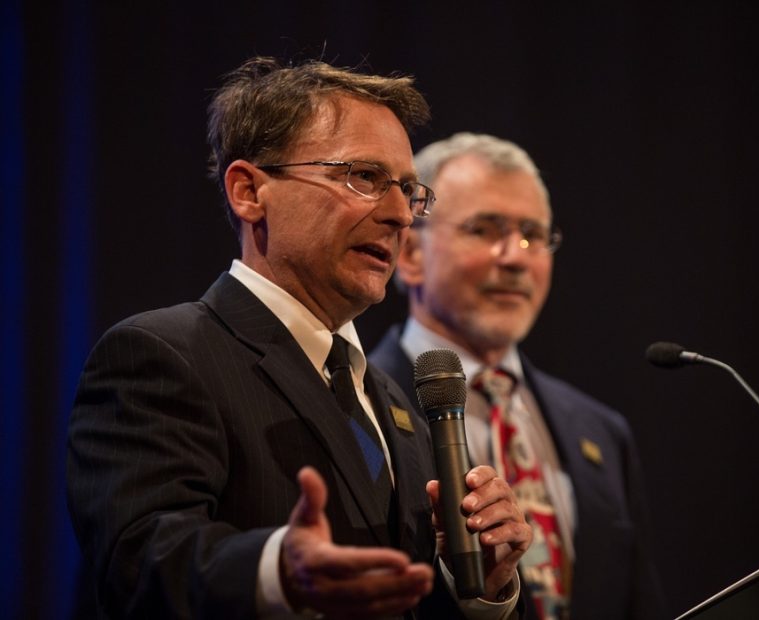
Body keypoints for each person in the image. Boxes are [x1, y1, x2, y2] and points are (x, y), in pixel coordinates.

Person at [66, 59, 532, 619]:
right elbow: (139, 560)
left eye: (408, 191)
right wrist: (276, 571)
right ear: (248, 191)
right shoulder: (162, 355)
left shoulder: (393, 402)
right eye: (364, 177)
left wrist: (478, 584)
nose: (399, 216)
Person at [369, 133, 666, 620]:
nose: (515, 257)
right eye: (484, 230)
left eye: (533, 235)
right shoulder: (356, 402)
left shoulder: (601, 431)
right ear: (410, 254)